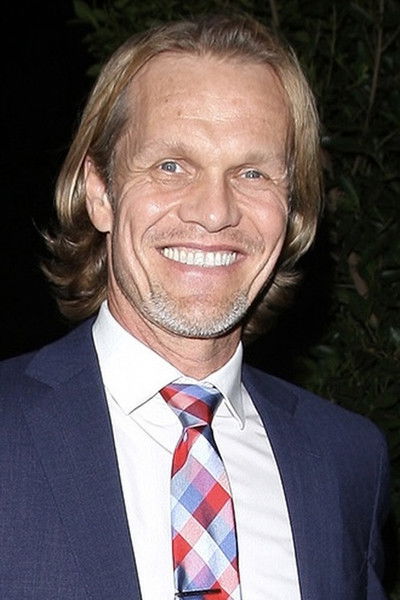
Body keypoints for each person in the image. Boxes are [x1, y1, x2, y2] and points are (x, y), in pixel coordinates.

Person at [0, 14, 389, 600]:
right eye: (172, 166)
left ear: (292, 210)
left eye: (252, 172)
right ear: (100, 193)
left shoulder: (347, 461)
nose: (214, 212)